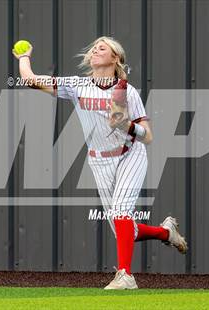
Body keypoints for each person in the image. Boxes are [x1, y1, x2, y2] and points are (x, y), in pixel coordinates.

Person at [13, 36, 187, 290]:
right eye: (94, 48)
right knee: (123, 230)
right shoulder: (77, 85)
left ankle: (125, 276)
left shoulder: (127, 91)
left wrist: (127, 125)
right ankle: (166, 232)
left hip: (130, 154)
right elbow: (31, 80)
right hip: (99, 161)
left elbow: (147, 135)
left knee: (120, 213)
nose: (95, 50)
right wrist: (24, 57)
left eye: (102, 48)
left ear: (115, 58)